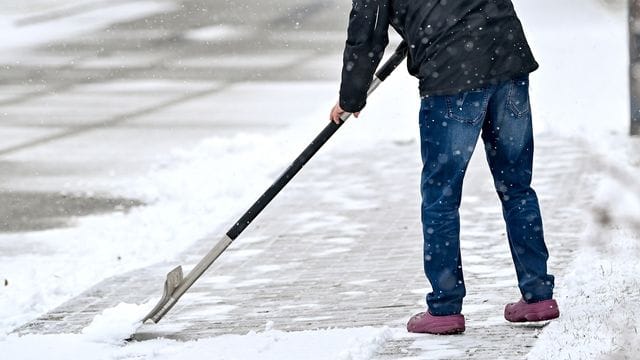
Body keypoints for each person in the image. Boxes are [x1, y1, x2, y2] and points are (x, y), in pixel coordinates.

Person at [330, 0, 559, 335]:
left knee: (441, 196)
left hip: (453, 76)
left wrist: (351, 96)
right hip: (507, 58)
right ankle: (539, 295)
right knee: (517, 187)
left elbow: (367, 28)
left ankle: (444, 307)